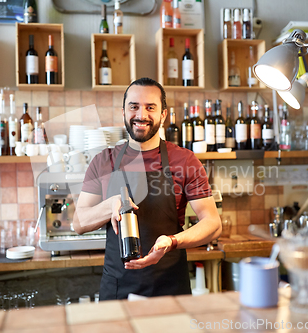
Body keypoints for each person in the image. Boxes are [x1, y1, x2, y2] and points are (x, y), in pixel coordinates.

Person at [73, 77, 221, 300]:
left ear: (163, 114)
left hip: (169, 289)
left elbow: (213, 223)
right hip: (117, 290)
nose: (141, 115)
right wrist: (110, 205)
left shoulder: (185, 160)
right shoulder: (104, 161)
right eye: (134, 106)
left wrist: (172, 241)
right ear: (123, 111)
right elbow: (78, 223)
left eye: (150, 107)